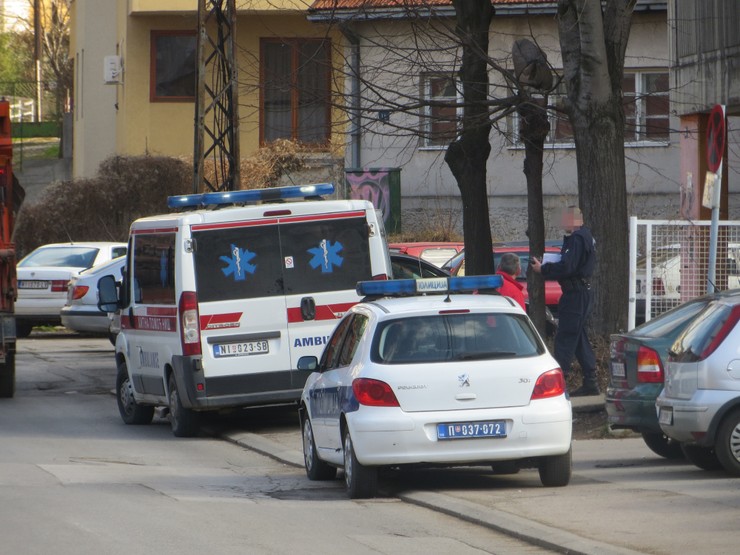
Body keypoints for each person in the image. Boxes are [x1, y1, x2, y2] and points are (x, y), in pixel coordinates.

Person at [530, 206, 598, 396]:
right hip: (580, 292)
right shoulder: (585, 236)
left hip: (575, 294)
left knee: (565, 337)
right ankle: (590, 381)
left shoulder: (577, 238)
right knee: (578, 338)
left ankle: (557, 386)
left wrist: (543, 269)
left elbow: (568, 266)